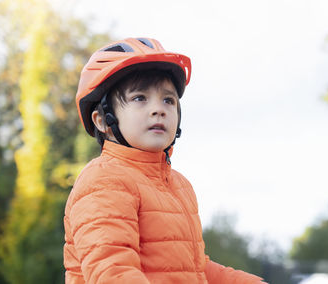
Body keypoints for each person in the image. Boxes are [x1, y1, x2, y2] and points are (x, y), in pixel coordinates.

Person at [63, 37, 266, 284]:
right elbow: (112, 272)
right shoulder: (104, 180)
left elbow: (195, 270)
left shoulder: (179, 186)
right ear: (102, 121)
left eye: (168, 100)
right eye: (140, 98)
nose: (159, 109)